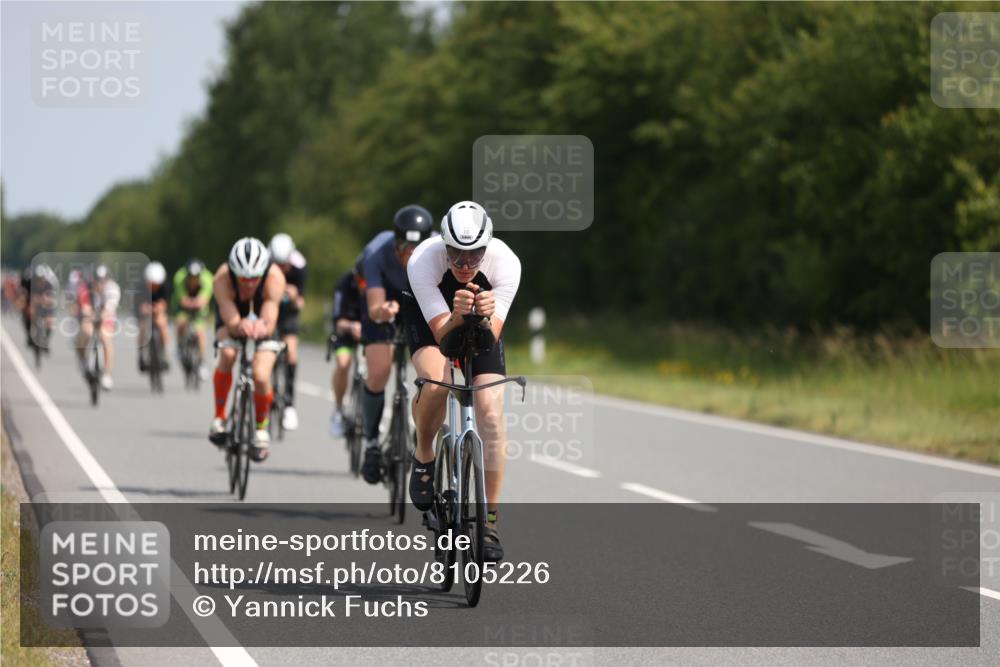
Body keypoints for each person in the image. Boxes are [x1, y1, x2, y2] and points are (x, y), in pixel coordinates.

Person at [404, 201, 521, 562]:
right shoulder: (423, 261)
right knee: (437, 384)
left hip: (481, 325)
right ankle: (425, 452)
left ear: (488, 247)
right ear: (443, 245)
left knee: (490, 414)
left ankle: (489, 523)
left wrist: (482, 318)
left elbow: (489, 338)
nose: (465, 265)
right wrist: (456, 314)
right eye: (455, 255)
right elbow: (443, 337)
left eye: (474, 255)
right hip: (433, 322)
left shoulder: (506, 263)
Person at [359, 205, 435, 484]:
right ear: (395, 242)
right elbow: (374, 306)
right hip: (386, 303)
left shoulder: (440, 251)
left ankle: (424, 432)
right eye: (404, 247)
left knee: (433, 375)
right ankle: (371, 444)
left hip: (421, 300)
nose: (410, 255)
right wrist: (384, 312)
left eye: (418, 247)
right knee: (379, 372)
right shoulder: (376, 254)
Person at [209, 237, 286, 461]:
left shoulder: (274, 277)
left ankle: (261, 429)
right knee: (228, 353)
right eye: (243, 278)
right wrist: (238, 325)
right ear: (234, 271)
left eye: (254, 278)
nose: (249, 283)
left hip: (264, 319)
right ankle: (220, 417)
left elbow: (270, 317)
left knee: (261, 375)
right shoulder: (222, 278)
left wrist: (262, 326)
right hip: (232, 313)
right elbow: (229, 316)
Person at [268, 233, 307, 431]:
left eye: (285, 264)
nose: (282, 268)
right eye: (278, 264)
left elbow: (301, 302)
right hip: (269, 308)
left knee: (291, 351)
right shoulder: (265, 264)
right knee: (267, 352)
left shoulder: (299, 266)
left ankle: (290, 404)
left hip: (289, 312)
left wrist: (292, 296)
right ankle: (267, 393)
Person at [328, 261, 364, 437]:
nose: (364, 286)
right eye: (361, 281)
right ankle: (338, 409)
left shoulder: (379, 282)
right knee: (343, 364)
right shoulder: (344, 284)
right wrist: (351, 326)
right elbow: (337, 321)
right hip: (346, 333)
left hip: (370, 333)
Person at [77, 264, 121, 390]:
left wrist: (101, 316)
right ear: (92, 280)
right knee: (86, 333)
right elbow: (85, 309)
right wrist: (90, 315)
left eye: (103, 281)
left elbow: (109, 310)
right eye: (97, 281)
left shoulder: (113, 289)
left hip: (105, 316)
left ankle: (107, 373)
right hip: (90, 316)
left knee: (105, 337)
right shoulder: (85, 288)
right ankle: (83, 361)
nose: (100, 284)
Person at [172, 258, 213, 379]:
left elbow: (204, 300)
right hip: (182, 307)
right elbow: (182, 300)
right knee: (180, 323)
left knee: (200, 334)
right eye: (191, 276)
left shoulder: (207, 278)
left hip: (200, 308)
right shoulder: (179, 277)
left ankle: (201, 362)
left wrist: (197, 303)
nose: (193, 279)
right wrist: (190, 303)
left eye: (196, 277)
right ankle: (179, 348)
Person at [138, 261, 170, 372]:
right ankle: (141, 352)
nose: (154, 287)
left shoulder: (164, 286)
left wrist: (158, 308)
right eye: (151, 284)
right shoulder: (141, 287)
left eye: (156, 285)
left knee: (162, 324)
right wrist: (145, 309)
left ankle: (165, 354)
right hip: (144, 310)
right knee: (142, 327)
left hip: (157, 309)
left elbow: (164, 303)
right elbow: (140, 305)